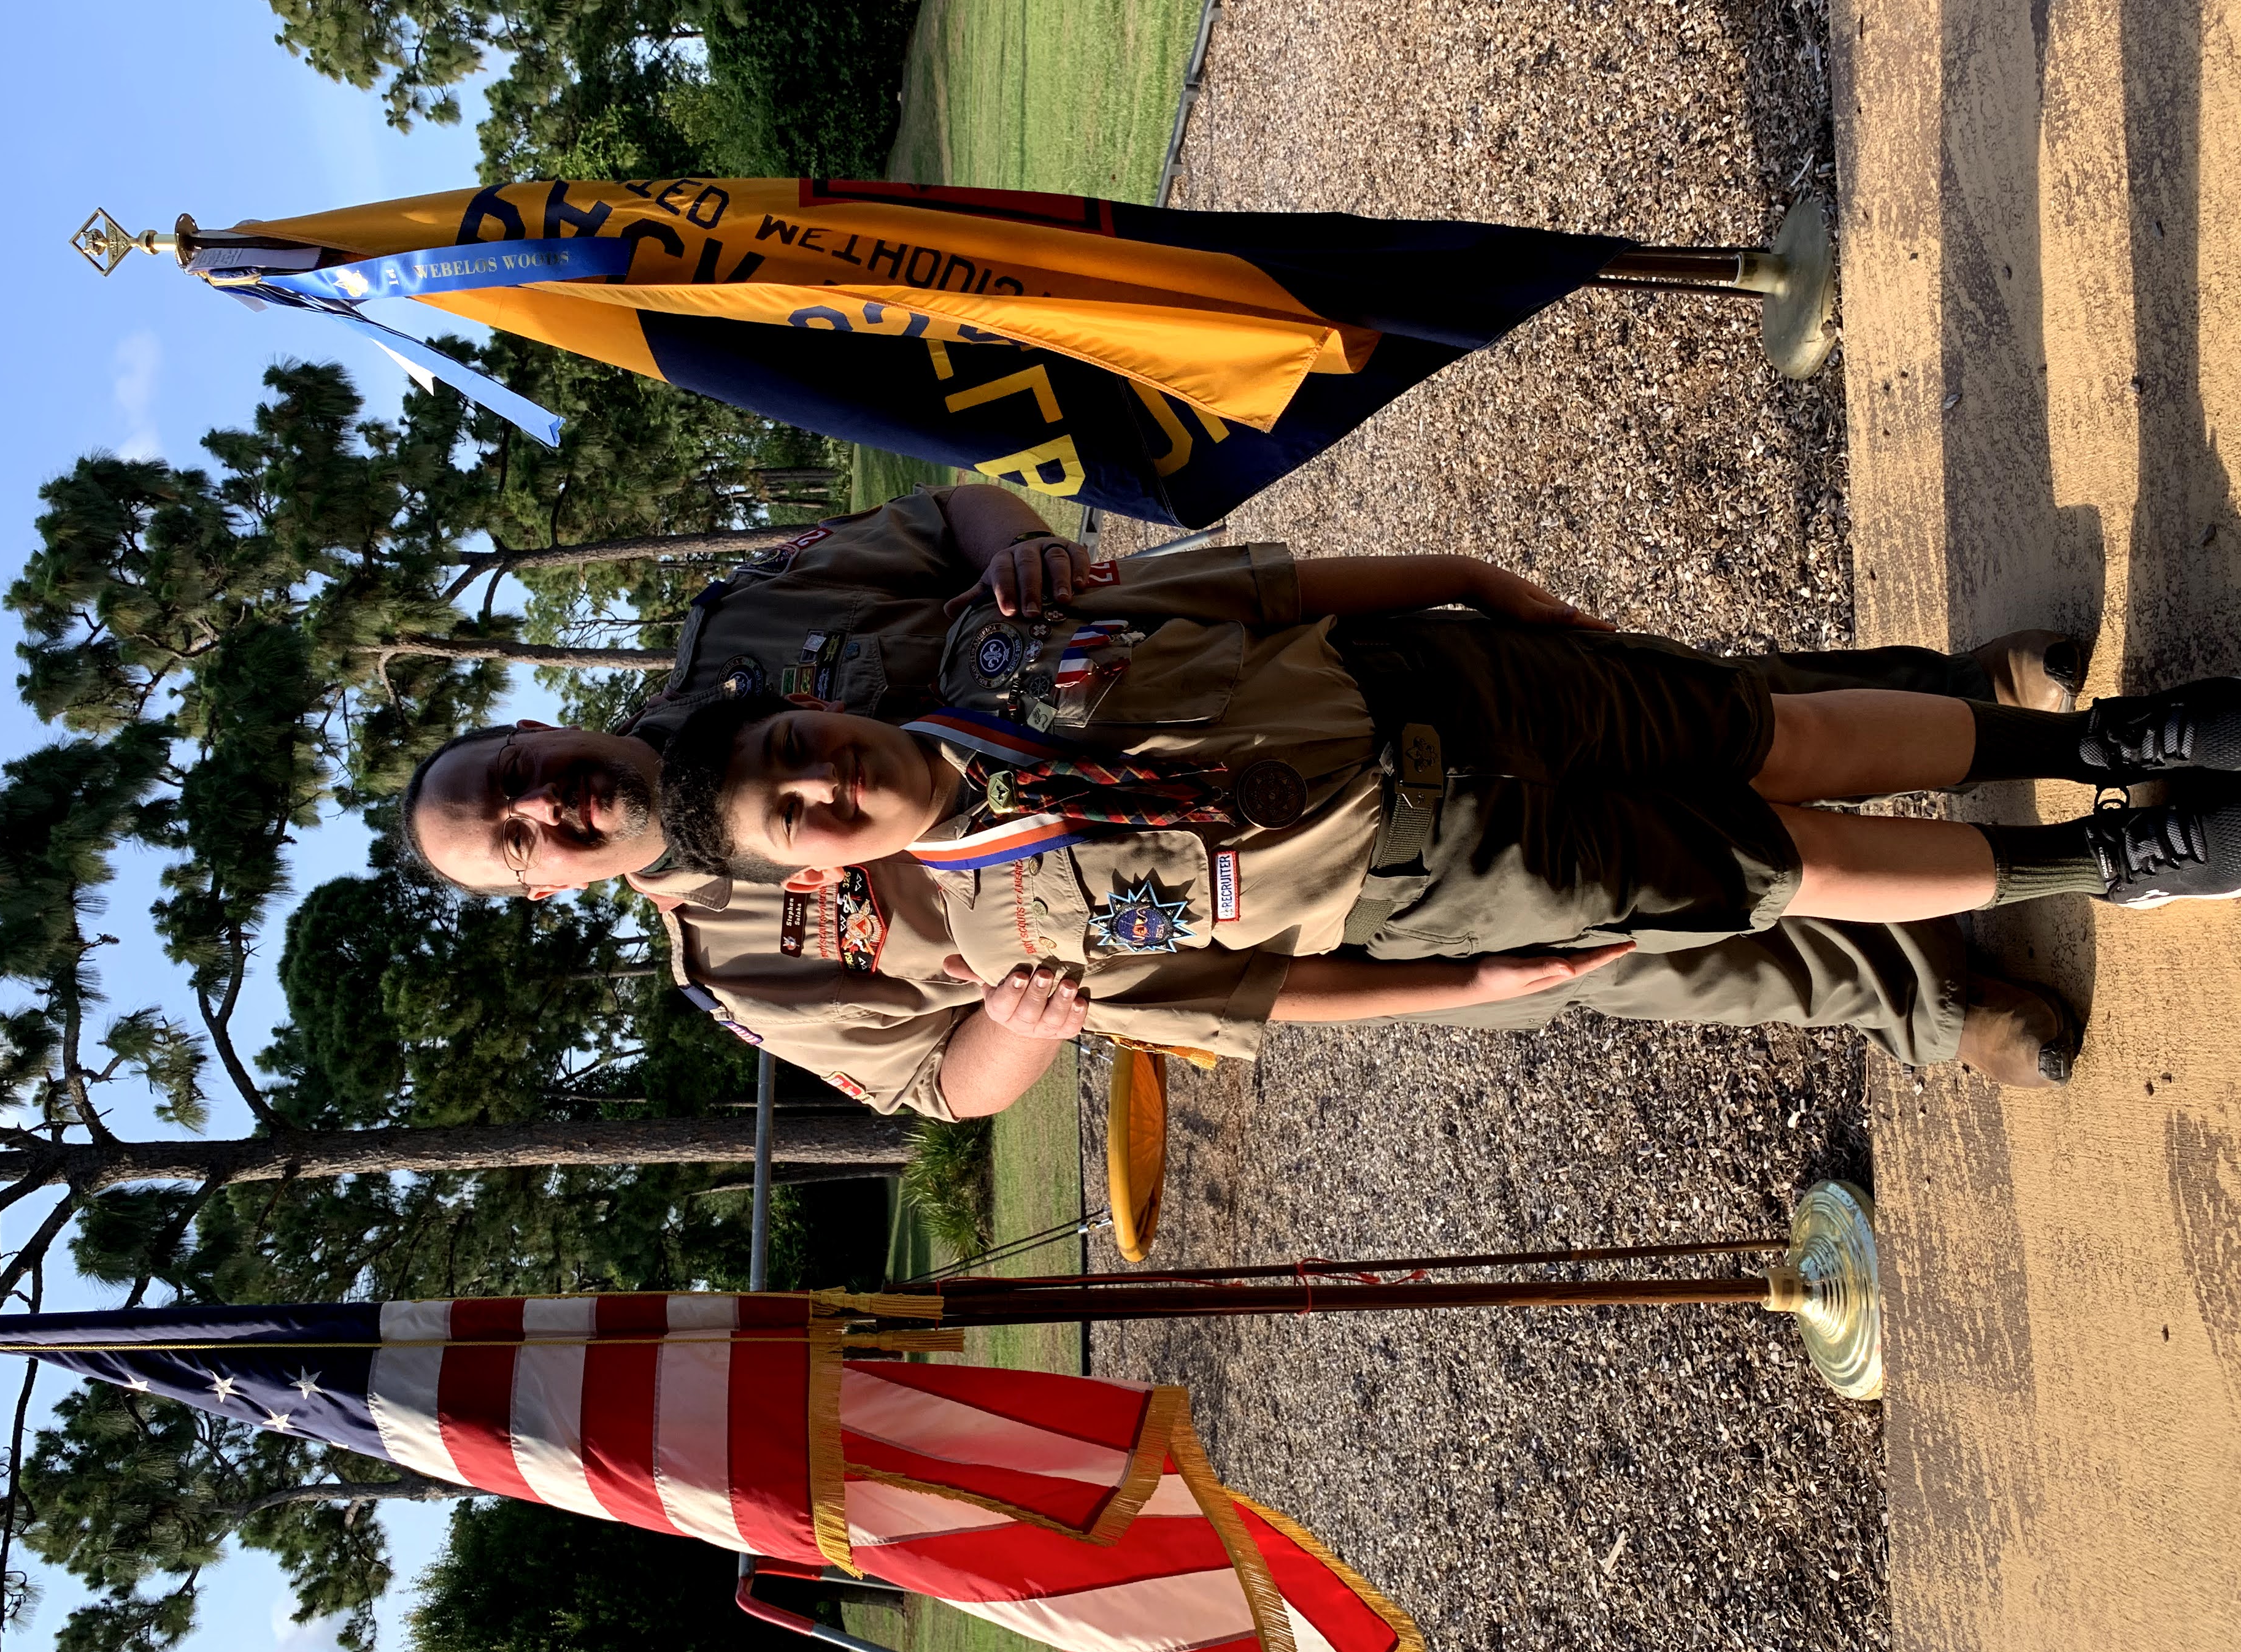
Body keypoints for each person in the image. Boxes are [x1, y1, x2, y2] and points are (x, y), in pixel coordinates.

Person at [395, 486, 2091, 1105]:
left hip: (1206, 691)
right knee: (1627, 936)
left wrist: (1029, 550)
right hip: (1251, 897)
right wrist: (1022, 1030)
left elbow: (948, 518)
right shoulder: (741, 971)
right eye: (519, 843)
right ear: (546, 890)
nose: (548, 807)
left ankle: (1959, 702)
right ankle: (1929, 1002)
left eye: (514, 776)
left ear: (534, 731)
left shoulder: (739, 627)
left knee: (1656, 700)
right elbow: (940, 1088)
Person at [655, 550, 2241, 1117]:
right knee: (1749, 882)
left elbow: (1226, 586)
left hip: (1420, 691)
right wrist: (1460, 986)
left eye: (797, 750)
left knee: (1757, 730)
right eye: (798, 818)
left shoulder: (833, 638)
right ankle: (2085, 884)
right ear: (819, 872)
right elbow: (1233, 997)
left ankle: (2092, 746)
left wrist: (1468, 579)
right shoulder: (864, 952)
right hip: (1419, 883)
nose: (823, 781)